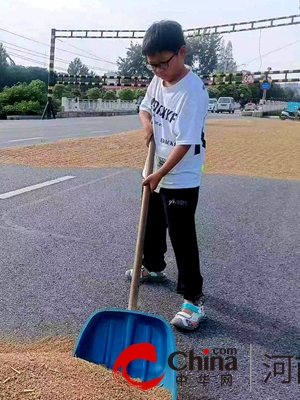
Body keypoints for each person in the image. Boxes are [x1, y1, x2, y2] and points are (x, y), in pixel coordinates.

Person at [128, 20, 209, 331]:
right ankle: (154, 266)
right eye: (152, 65)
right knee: (151, 222)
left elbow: (185, 144)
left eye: (164, 63)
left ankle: (193, 299)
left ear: (182, 52)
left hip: (181, 175)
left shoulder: (193, 91)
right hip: (157, 168)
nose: (159, 70)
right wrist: (147, 125)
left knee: (181, 236)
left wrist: (159, 174)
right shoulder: (157, 80)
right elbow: (145, 108)